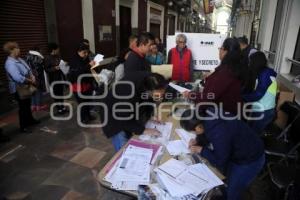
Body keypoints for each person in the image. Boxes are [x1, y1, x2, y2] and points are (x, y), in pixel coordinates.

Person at [180, 109, 265, 200]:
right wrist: (198, 141)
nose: (194, 134)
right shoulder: (207, 114)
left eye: (193, 132)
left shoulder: (218, 131)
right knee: (228, 180)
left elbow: (220, 161)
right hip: (241, 148)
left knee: (233, 190)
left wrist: (202, 150)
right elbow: (205, 132)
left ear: (197, 128)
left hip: (250, 159)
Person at [99, 72, 168, 151]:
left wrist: (150, 116)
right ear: (149, 91)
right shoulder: (128, 94)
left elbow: (149, 101)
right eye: (158, 96)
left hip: (126, 110)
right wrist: (144, 130)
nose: (160, 98)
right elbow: (123, 119)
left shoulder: (152, 81)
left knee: (132, 131)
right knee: (124, 149)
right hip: (113, 117)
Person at [183, 38, 244, 115]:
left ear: (225, 51)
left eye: (220, 48)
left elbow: (209, 97)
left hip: (223, 117)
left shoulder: (226, 72)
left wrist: (190, 94)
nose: (219, 51)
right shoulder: (232, 67)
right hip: (227, 112)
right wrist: (211, 77)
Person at [3, 41, 40, 133]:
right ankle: (23, 126)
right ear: (12, 50)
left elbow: (29, 69)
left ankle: (30, 120)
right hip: (18, 88)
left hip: (26, 85)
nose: (19, 49)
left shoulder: (19, 59)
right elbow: (17, 77)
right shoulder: (10, 63)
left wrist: (32, 76)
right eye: (17, 48)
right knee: (23, 107)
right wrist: (30, 80)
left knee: (27, 104)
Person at [243, 51, 277, 134]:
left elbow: (258, 94)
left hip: (264, 110)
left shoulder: (265, 75)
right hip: (260, 108)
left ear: (256, 62)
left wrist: (242, 97)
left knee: (253, 136)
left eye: (251, 62)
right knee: (249, 132)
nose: (249, 64)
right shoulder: (263, 73)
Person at [69, 43, 96, 124]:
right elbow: (79, 72)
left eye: (87, 52)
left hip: (87, 83)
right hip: (78, 85)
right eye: (84, 52)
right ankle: (83, 118)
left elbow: (87, 68)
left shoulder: (85, 58)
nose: (86, 54)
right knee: (82, 102)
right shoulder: (74, 60)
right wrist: (88, 65)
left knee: (87, 101)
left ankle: (88, 116)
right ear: (78, 51)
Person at [44, 43, 68, 114]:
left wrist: (64, 63)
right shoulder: (47, 58)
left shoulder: (57, 56)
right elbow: (47, 69)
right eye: (57, 49)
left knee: (61, 93)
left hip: (60, 78)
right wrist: (55, 68)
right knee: (56, 94)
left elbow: (61, 63)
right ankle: (59, 109)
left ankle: (63, 107)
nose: (58, 50)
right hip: (53, 79)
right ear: (53, 49)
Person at [25, 46, 48, 112]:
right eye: (40, 50)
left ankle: (33, 106)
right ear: (37, 50)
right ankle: (39, 106)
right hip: (38, 76)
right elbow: (41, 65)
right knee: (38, 91)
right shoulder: (37, 56)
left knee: (33, 91)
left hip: (30, 76)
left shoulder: (27, 56)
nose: (41, 51)